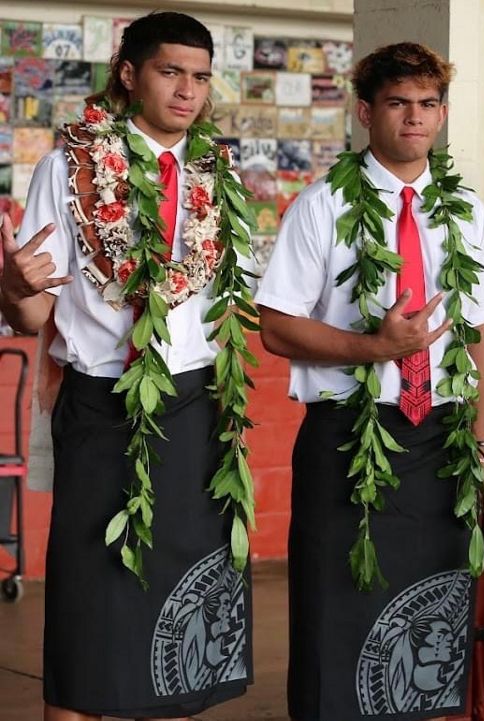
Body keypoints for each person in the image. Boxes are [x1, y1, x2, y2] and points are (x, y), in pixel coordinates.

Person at [0, 12, 253, 720]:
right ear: (129, 73)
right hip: (103, 408)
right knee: (90, 609)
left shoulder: (219, 173)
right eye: (171, 71)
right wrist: (15, 287)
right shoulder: (71, 165)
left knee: (180, 610)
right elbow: (32, 317)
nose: (188, 91)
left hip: (199, 407)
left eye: (200, 77)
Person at [254, 42, 484, 721]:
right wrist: (374, 347)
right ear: (366, 111)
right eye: (399, 103)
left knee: (430, 615)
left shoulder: (463, 212)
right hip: (348, 435)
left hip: (442, 439)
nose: (415, 118)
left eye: (429, 104)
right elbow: (277, 324)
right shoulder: (321, 206)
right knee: (335, 610)